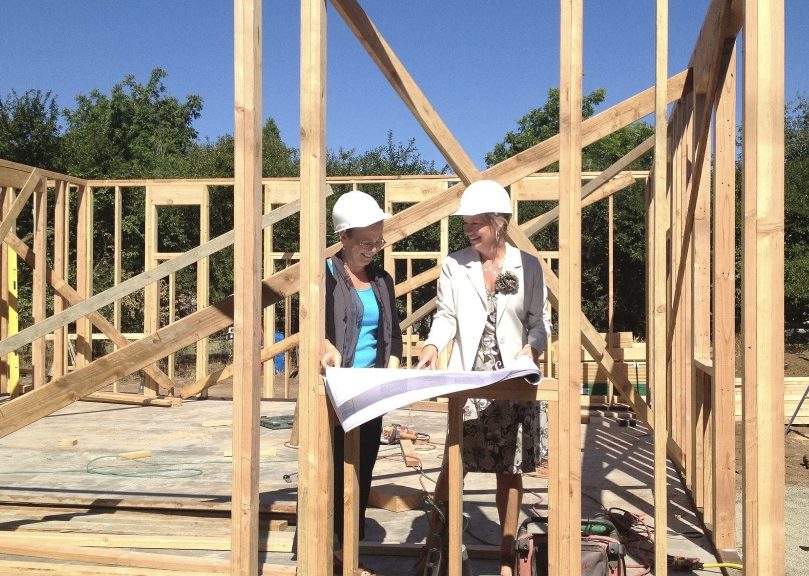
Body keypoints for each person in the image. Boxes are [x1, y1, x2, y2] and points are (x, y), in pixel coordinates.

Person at [416, 179, 550, 576]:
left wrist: (533, 350)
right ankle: (434, 547)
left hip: (513, 382)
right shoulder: (455, 265)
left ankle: (507, 559)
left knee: (510, 471)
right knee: (453, 465)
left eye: (477, 222)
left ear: (499, 222)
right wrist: (433, 346)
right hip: (470, 383)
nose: (469, 229)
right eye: (467, 222)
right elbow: (446, 316)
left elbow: (540, 322)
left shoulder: (528, 266)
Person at [320, 190, 403, 576]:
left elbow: (393, 334)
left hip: (371, 392)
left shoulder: (382, 280)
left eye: (378, 242)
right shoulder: (325, 277)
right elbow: (312, 327)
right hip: (335, 391)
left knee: (362, 469)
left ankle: (349, 550)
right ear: (343, 237)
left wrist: (394, 363)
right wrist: (323, 345)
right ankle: (327, 550)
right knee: (333, 470)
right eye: (365, 242)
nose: (373, 249)